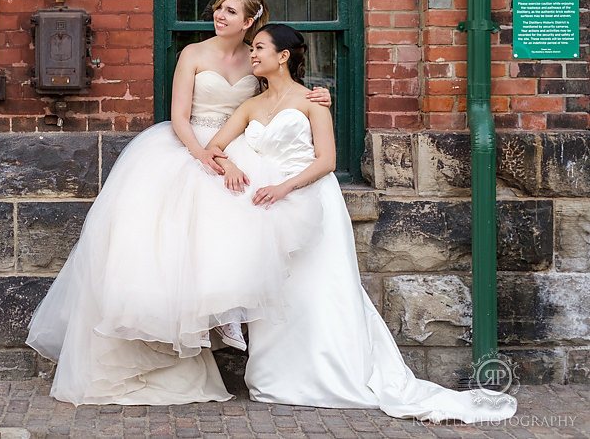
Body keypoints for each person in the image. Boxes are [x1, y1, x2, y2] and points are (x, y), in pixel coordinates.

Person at [25, 0, 331, 405]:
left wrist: (320, 95)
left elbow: (280, 98)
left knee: (239, 223)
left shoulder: (256, 58)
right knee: (167, 239)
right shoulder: (193, 55)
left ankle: (227, 314)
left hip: (236, 146)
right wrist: (203, 156)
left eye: (230, 11)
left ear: (249, 22)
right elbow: (179, 116)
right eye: (218, 8)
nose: (219, 16)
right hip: (190, 144)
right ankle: (161, 337)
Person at [203, 23, 517, 423]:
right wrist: (227, 163)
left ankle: (334, 374)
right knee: (278, 289)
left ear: (283, 56)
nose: (253, 54)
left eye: (260, 47)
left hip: (308, 199)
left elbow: (327, 161)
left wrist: (284, 188)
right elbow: (215, 146)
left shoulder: (313, 101)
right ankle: (276, 378)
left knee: (320, 287)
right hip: (267, 211)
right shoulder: (250, 105)